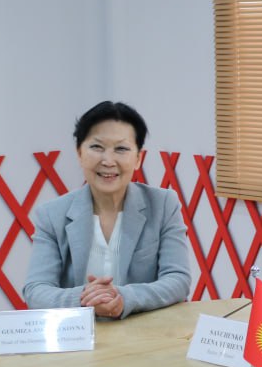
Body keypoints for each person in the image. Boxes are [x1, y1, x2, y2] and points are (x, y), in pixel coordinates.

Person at [24, 101, 191, 318]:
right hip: (76, 332)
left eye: (121, 149)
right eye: (97, 147)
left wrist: (123, 298)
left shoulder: (163, 204)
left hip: (143, 332)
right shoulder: (51, 214)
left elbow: (178, 279)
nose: (108, 161)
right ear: (79, 153)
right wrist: (85, 298)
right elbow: (36, 290)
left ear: (138, 158)